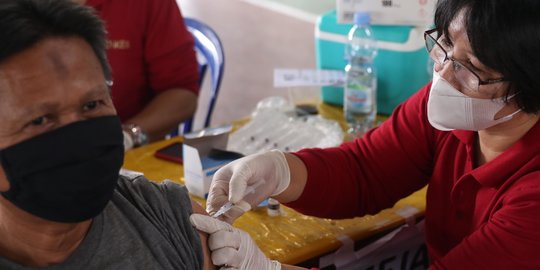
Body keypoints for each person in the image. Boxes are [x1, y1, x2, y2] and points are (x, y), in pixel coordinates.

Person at [192, 0, 540, 269]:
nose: (445, 74)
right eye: (444, 44)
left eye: (472, 69)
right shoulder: (455, 114)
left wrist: (263, 266)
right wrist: (281, 172)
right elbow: (366, 171)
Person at [0, 0, 213, 269]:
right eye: (41, 120)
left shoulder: (163, 214)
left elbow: (181, 91)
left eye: (92, 105)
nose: (78, 139)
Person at [82, 0, 200, 148]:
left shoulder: (148, 4)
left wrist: (128, 136)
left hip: (128, 156)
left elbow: (182, 94)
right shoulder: (44, 11)